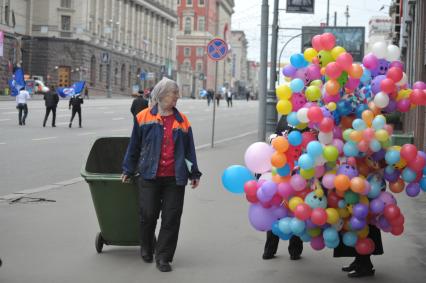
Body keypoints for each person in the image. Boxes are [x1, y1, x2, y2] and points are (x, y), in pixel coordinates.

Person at [121, 77, 202, 272]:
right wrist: (128, 169)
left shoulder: (182, 121)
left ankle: (163, 257)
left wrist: (194, 173)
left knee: (171, 218)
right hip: (149, 175)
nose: (177, 97)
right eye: (174, 93)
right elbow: (134, 146)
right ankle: (147, 246)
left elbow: (189, 151)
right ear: (163, 94)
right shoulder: (143, 117)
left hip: (175, 178)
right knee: (148, 215)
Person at [263, 115, 303, 260]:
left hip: (293, 172)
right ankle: (274, 249)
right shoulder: (289, 117)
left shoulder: (300, 117)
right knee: (282, 209)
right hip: (284, 171)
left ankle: (291, 250)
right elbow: (275, 137)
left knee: (292, 209)